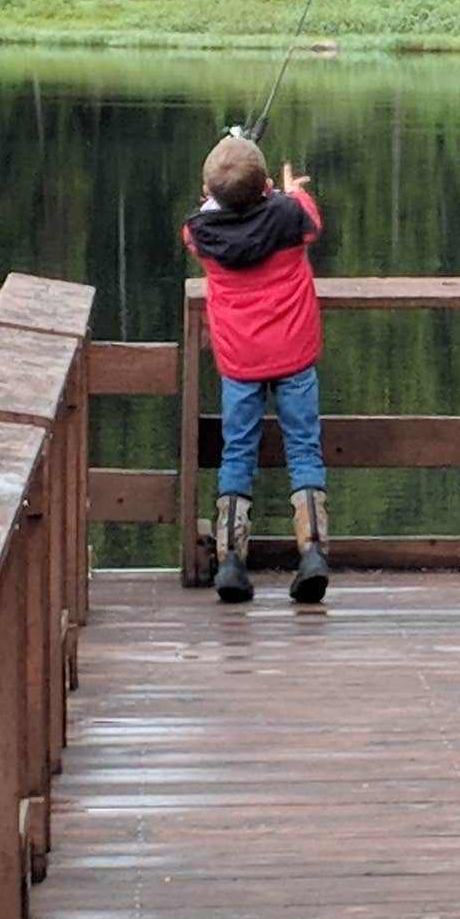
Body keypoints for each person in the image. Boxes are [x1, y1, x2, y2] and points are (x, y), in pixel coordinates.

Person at [182, 133, 329, 604]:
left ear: (209, 191)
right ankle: (312, 552)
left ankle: (230, 561)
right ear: (265, 186)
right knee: (304, 449)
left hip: (240, 363)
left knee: (236, 453)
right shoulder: (290, 217)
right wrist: (286, 189)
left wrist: (220, 195)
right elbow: (309, 214)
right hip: (294, 357)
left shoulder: (200, 234)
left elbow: (210, 211)